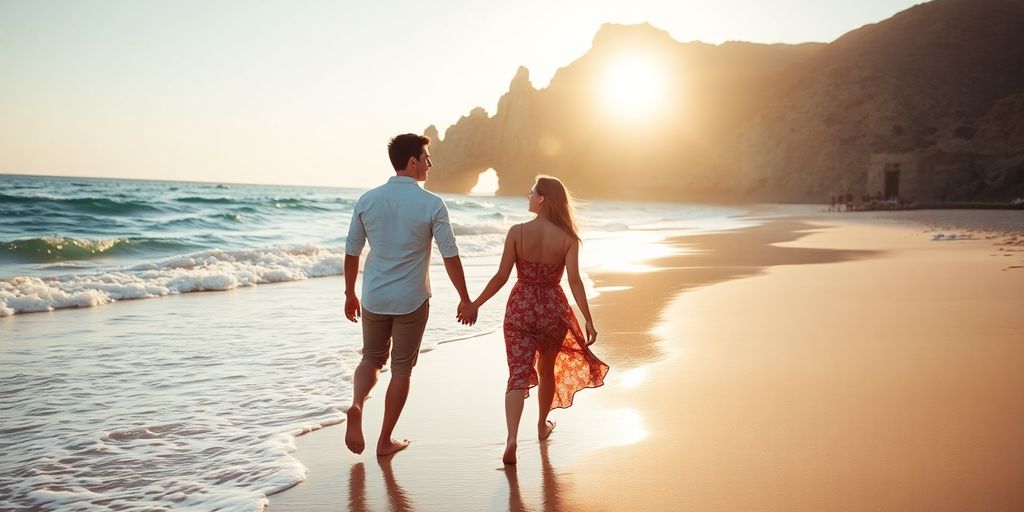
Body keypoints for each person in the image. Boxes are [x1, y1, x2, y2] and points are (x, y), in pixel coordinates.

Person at [460, 175, 609, 465]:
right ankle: (541, 425)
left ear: (542, 199)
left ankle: (512, 438)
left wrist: (474, 304)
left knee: (518, 373)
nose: (527, 196)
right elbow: (575, 281)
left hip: (521, 307)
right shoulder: (568, 238)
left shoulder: (517, 232)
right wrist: (587, 319)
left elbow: (502, 276)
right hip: (553, 307)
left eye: (531, 193)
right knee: (547, 368)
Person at [343, 133, 474, 457]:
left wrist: (349, 293)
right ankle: (385, 440)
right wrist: (465, 298)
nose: (430, 163)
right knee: (401, 368)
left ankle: (357, 404)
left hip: (373, 295)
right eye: (426, 157)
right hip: (411, 299)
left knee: (371, 358)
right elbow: (449, 254)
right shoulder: (431, 204)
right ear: (412, 161)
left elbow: (351, 252)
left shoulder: (368, 199)